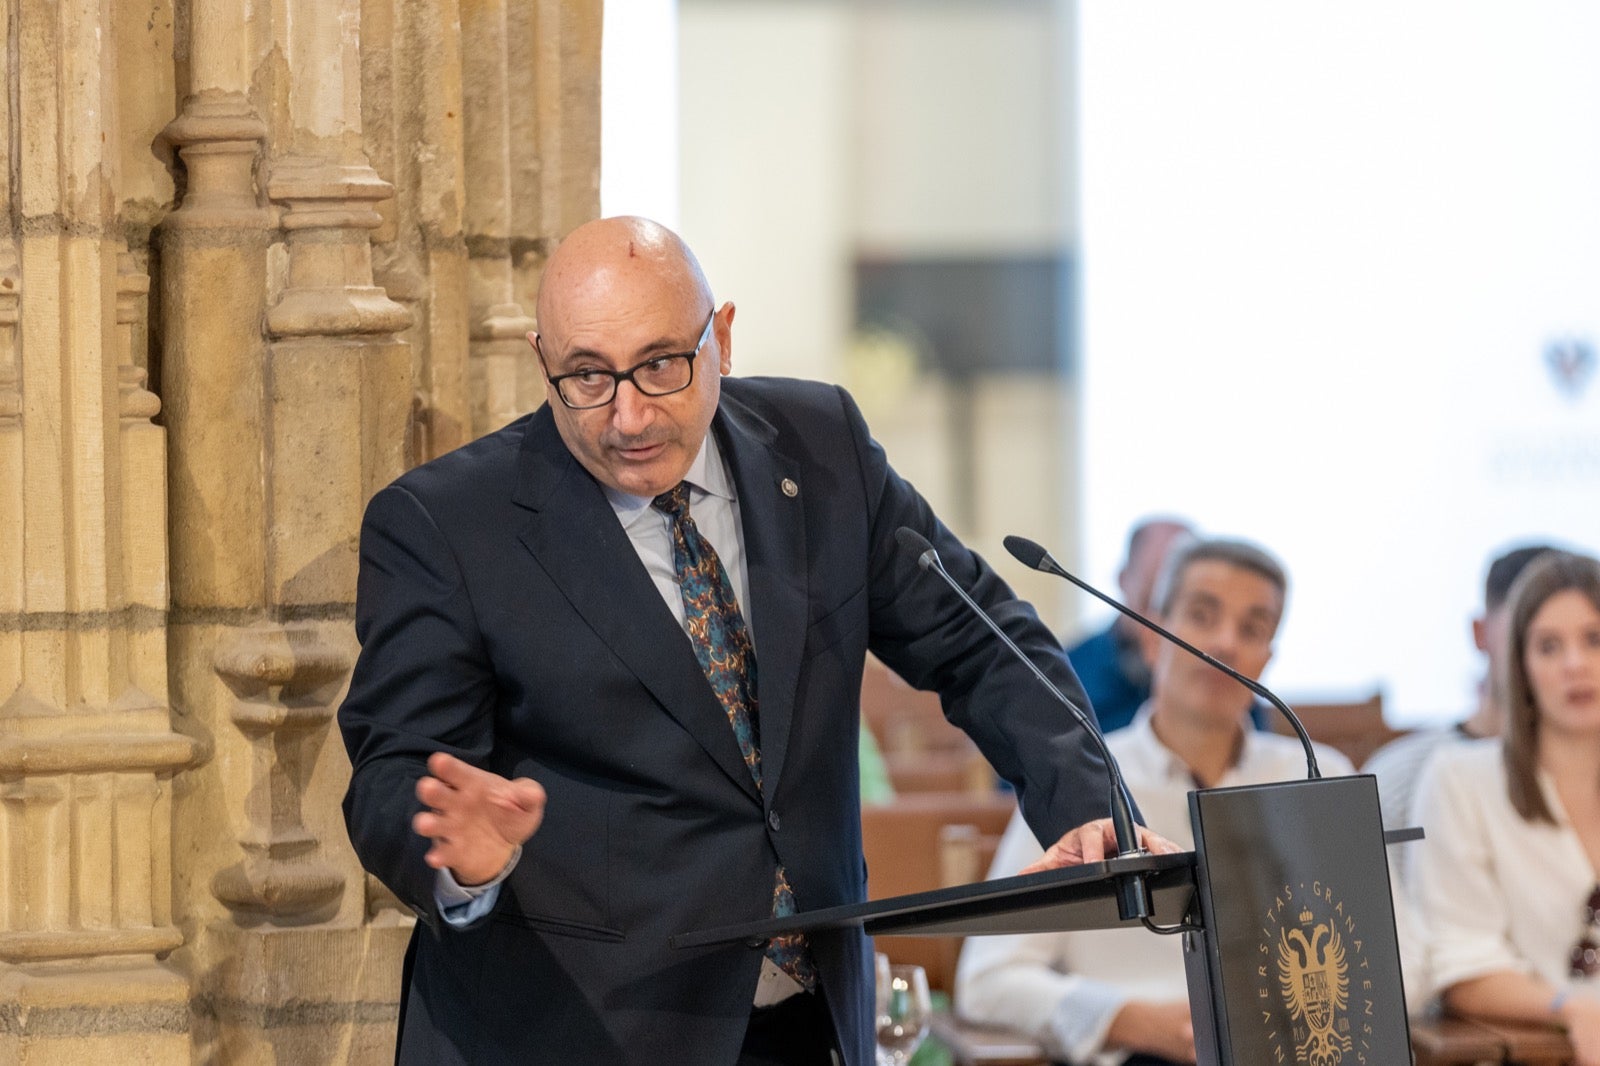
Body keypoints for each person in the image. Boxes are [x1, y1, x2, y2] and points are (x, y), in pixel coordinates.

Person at [337, 216, 1172, 1066]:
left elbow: (980, 639)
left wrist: (1090, 806)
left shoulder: (822, 449)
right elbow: (393, 772)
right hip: (573, 1030)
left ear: (721, 338)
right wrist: (459, 857)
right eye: (587, 375)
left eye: (662, 364)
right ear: (540, 360)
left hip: (811, 1022)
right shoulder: (448, 523)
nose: (627, 415)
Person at [955, 537, 1356, 1066]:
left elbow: (1400, 955)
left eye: (1253, 628)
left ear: (1268, 658)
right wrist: (1130, 1020)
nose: (1226, 642)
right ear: (1150, 637)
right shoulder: (1081, 784)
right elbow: (988, 978)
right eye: (1202, 614)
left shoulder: (1317, 775)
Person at [1411, 550, 1600, 1066]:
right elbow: (1461, 967)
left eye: (1593, 640)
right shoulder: (1460, 779)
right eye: (1548, 646)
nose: (1575, 665)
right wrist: (1572, 1009)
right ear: (1520, 667)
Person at [1365, 543, 1556, 834]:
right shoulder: (1398, 780)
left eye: (1591, 639)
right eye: (1544, 641)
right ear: (1481, 633)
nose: (1571, 663)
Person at [1064, 518, 1193, 734]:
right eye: (1150, 602)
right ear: (1123, 579)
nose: (1162, 624)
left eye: (1186, 609)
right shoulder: (1068, 670)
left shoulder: (1220, 676)